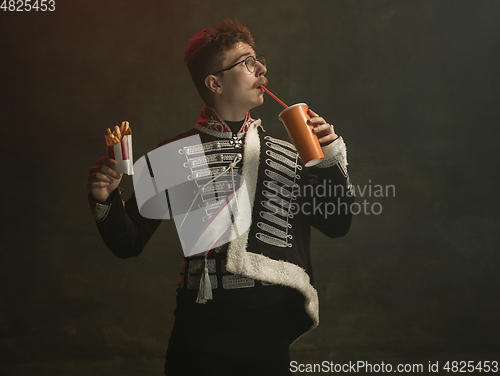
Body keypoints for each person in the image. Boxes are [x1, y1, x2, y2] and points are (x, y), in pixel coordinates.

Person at [87, 19, 353, 376]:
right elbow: (129, 241)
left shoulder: (290, 151)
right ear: (214, 82)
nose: (261, 68)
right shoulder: (172, 154)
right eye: (246, 62)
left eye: (257, 59)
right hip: (202, 326)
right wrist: (106, 199)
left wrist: (330, 158)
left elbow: (337, 224)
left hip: (270, 324)